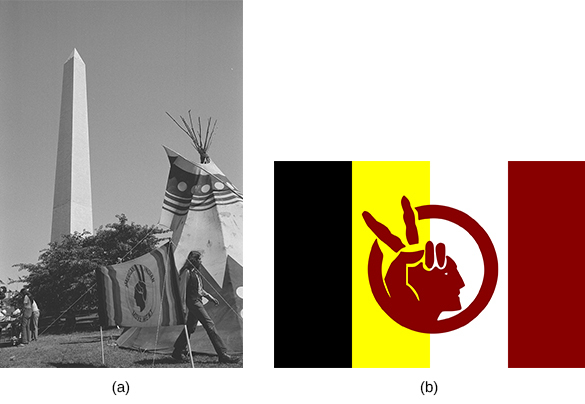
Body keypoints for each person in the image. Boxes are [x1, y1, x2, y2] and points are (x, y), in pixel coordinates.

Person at [172, 251, 239, 364]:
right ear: (194, 260)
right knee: (209, 325)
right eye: (199, 259)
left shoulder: (196, 273)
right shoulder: (186, 272)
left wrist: (210, 297)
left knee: (190, 327)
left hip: (198, 301)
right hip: (193, 303)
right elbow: (182, 291)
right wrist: (183, 308)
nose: (200, 261)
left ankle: (178, 351)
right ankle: (222, 354)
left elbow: (199, 289)